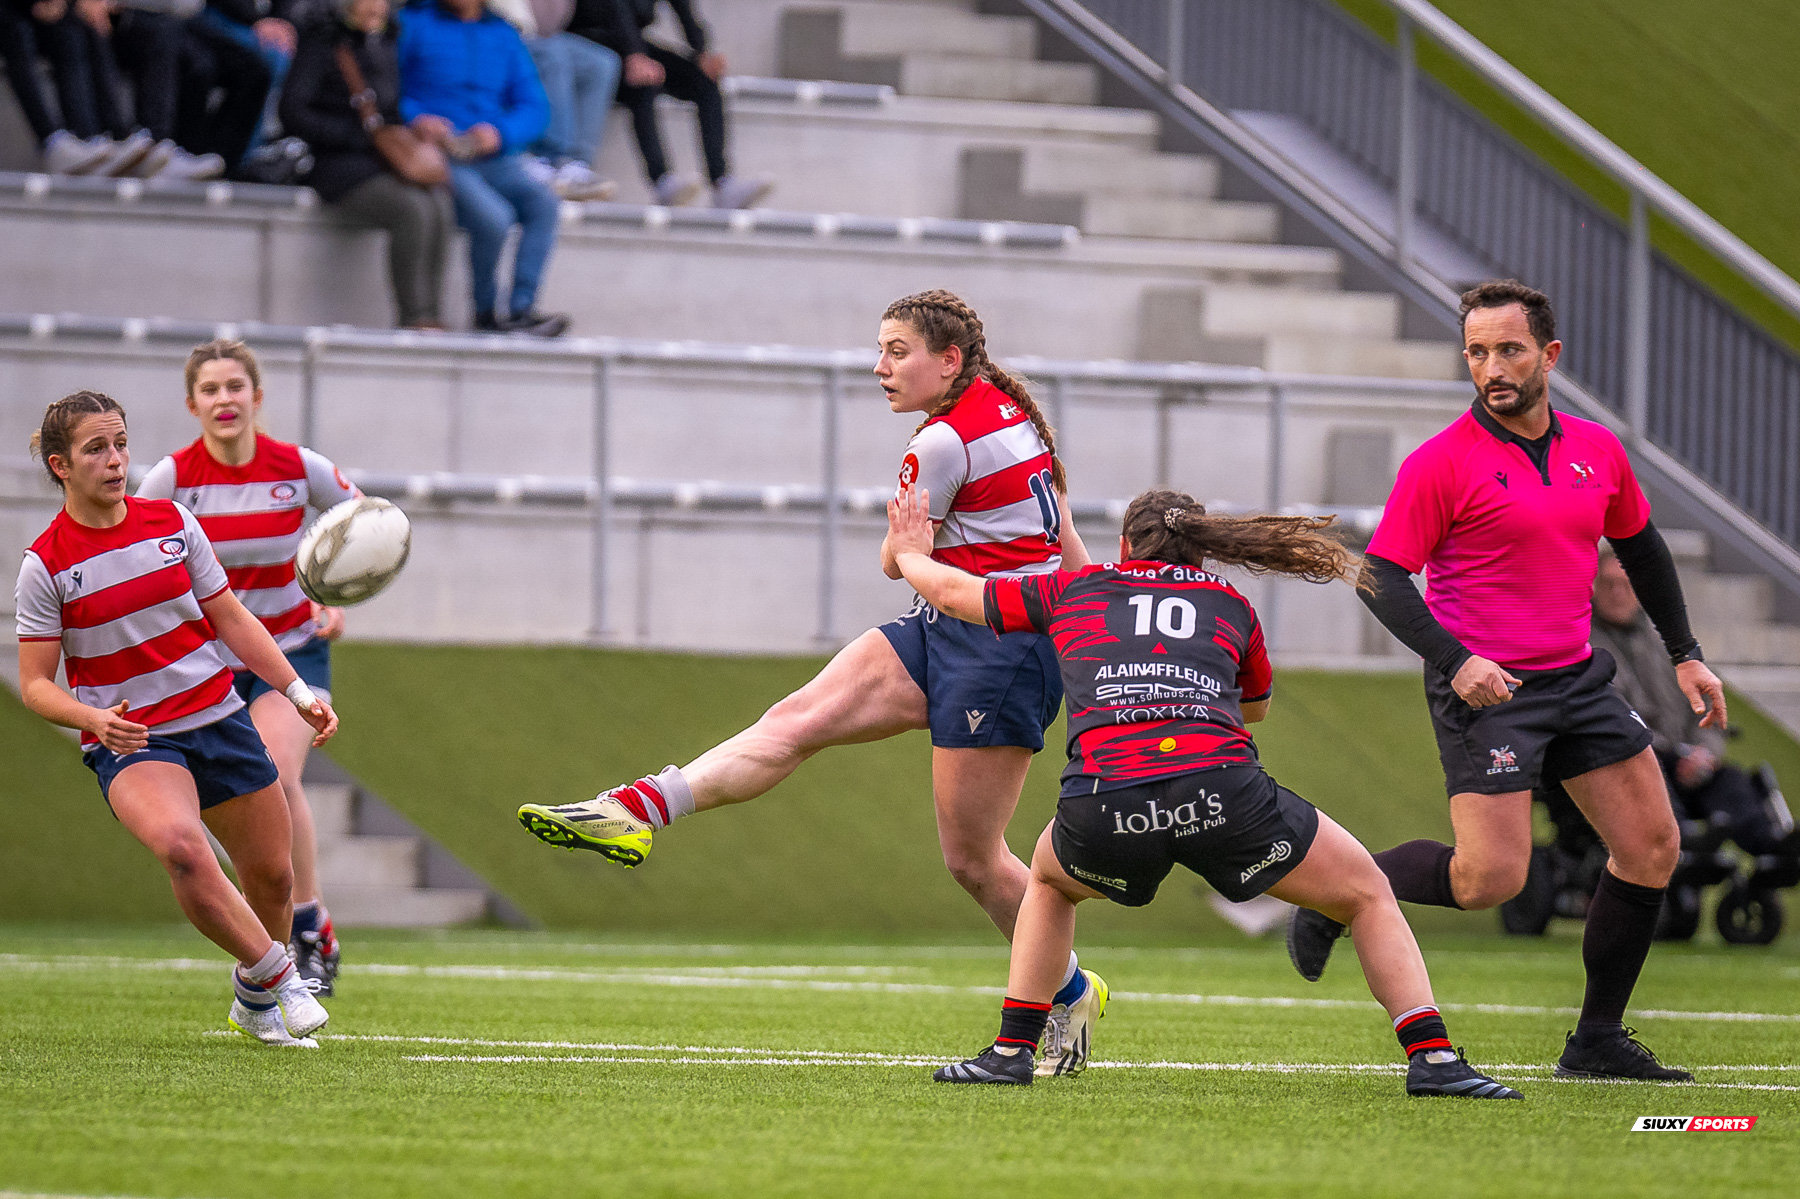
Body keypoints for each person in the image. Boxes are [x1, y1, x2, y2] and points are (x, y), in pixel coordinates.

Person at [518, 289, 1108, 1076]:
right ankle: (636, 808)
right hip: (952, 629)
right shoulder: (1014, 414)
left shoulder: (939, 441)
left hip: (999, 650)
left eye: (897, 351)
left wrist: (909, 556)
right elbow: (1064, 542)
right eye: (881, 350)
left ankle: (1068, 989)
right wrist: (1097, 621)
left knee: (973, 859)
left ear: (950, 359)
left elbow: (899, 557)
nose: (880, 367)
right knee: (795, 719)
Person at [888, 485, 1520, 1098]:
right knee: (1364, 893)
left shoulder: (1074, 589)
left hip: (1107, 802)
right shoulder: (1229, 603)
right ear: (1200, 547)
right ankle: (1433, 1057)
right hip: (1222, 793)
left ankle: (1012, 1051)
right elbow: (1256, 709)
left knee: (1050, 883)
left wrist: (910, 549)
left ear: (1127, 545)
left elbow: (954, 593)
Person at [1287, 279, 1728, 1082]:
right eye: (1477, 351)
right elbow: (1380, 576)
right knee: (1489, 879)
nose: (1492, 366)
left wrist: (1685, 651)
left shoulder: (1600, 449)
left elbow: (1642, 550)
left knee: (1653, 846)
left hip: (1581, 682)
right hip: (1486, 690)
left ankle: (1597, 1038)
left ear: (1550, 356)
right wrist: (1458, 661)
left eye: (1509, 349)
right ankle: (1335, 893)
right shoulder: (1441, 463)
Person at [15, 390, 339, 1045]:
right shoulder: (45, 564)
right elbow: (33, 686)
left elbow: (232, 618)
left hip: (218, 717)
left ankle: (252, 998)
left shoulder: (171, 523)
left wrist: (297, 690)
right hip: (133, 738)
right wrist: (93, 717)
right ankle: (283, 976)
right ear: (60, 465)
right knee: (184, 850)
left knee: (273, 878)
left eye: (121, 443)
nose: (115, 460)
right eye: (95, 448)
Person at [135, 339, 360, 994]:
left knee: (274, 768)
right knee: (236, 797)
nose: (224, 399)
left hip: (289, 648)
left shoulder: (298, 466)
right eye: (210, 389)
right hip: (204, 664)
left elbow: (365, 526)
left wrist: (333, 595)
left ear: (256, 397)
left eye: (236, 386)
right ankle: (281, 934)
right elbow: (139, 556)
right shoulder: (173, 479)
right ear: (192, 403)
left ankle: (309, 930)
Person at [1591, 548, 1790, 854]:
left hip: (1687, 758)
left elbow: (1702, 706)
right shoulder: (1584, 644)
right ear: (1592, 587)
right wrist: (1673, 754)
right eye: (1609, 584)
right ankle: (1680, 842)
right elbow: (1610, 715)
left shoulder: (1665, 641)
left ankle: (1772, 845)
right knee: (1650, 773)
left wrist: (1703, 752)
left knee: (1732, 781)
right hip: (1637, 759)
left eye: (1626, 584)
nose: (1618, 593)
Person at [397, 0, 569, 336]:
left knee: (544, 204)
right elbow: (387, 85)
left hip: (491, 154)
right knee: (493, 218)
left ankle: (522, 307)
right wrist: (417, 118)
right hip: (439, 154)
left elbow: (534, 106)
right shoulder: (413, 24)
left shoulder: (503, 34)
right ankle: (486, 311)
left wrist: (500, 133)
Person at [279, 0, 453, 329]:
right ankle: (414, 316)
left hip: (378, 161)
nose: (374, 7)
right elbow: (294, 112)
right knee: (412, 209)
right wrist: (353, 135)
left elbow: (388, 109)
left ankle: (432, 312)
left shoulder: (384, 43)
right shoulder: (322, 42)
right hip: (336, 164)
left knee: (439, 204)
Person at [572, 0, 769, 209]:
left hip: (633, 42)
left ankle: (722, 184)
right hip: (591, 41)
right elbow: (615, 9)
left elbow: (684, 9)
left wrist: (702, 53)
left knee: (705, 84)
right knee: (644, 85)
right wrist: (633, 54)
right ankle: (662, 181)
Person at [488, 0, 618, 200]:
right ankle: (550, 158)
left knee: (602, 64)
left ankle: (576, 164)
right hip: (499, 32)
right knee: (552, 55)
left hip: (538, 35)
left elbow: (551, 24)